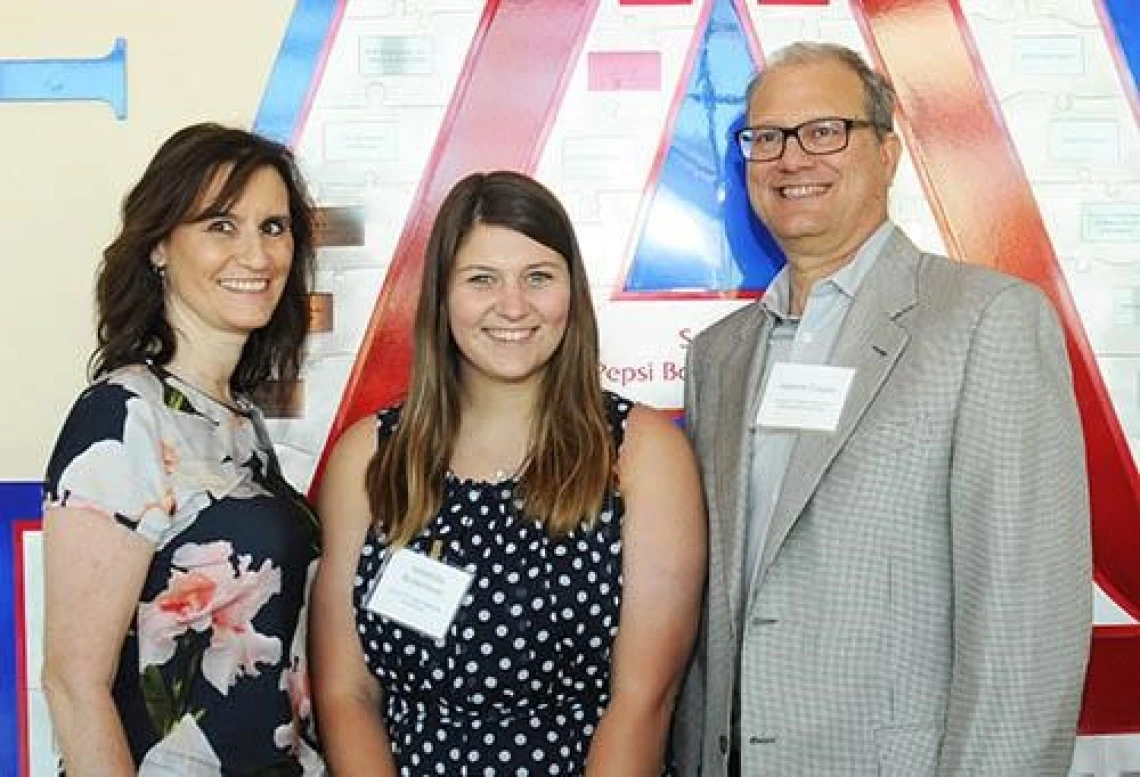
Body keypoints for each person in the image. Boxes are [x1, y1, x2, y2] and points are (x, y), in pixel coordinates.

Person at [673, 42, 1091, 776]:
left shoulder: (987, 322)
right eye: (766, 137)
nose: (791, 158)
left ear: (888, 152)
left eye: (824, 130)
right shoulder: (719, 356)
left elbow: (1029, 630)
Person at [310, 170, 706, 775]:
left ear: (572, 292)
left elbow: (643, 702)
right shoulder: (369, 456)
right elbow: (346, 694)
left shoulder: (640, 454)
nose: (513, 305)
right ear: (441, 295)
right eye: (481, 280)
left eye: (538, 277)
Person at [42, 123, 324, 775]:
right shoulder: (124, 413)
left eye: (273, 227)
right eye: (221, 225)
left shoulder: (239, 421)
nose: (255, 254)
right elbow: (72, 682)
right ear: (161, 246)